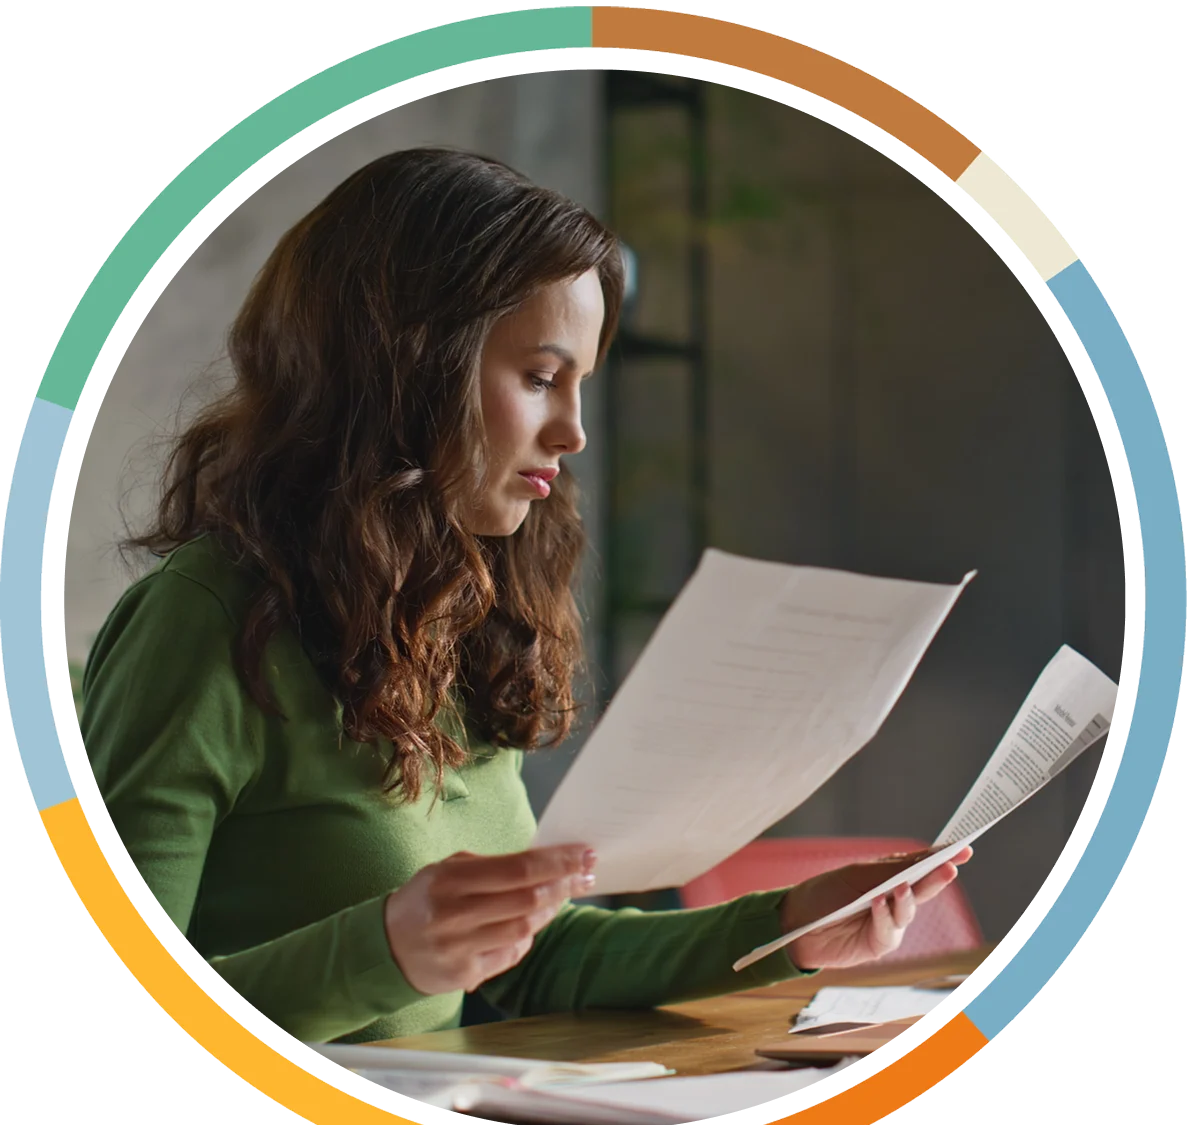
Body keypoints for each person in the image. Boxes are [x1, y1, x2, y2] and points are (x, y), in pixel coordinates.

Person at [80, 148, 972, 1047]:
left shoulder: (452, 612)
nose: (574, 430)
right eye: (541, 378)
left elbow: (536, 958)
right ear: (406, 365)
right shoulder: (202, 622)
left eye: (580, 384)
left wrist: (790, 928)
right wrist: (384, 952)